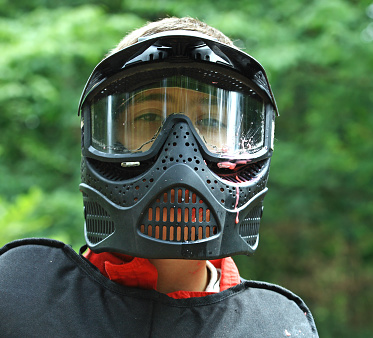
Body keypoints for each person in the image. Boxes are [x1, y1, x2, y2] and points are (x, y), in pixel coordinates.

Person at [0, 17, 318, 337]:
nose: (181, 151)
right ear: (107, 138)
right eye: (149, 117)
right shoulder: (19, 294)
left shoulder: (275, 328)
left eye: (210, 120)